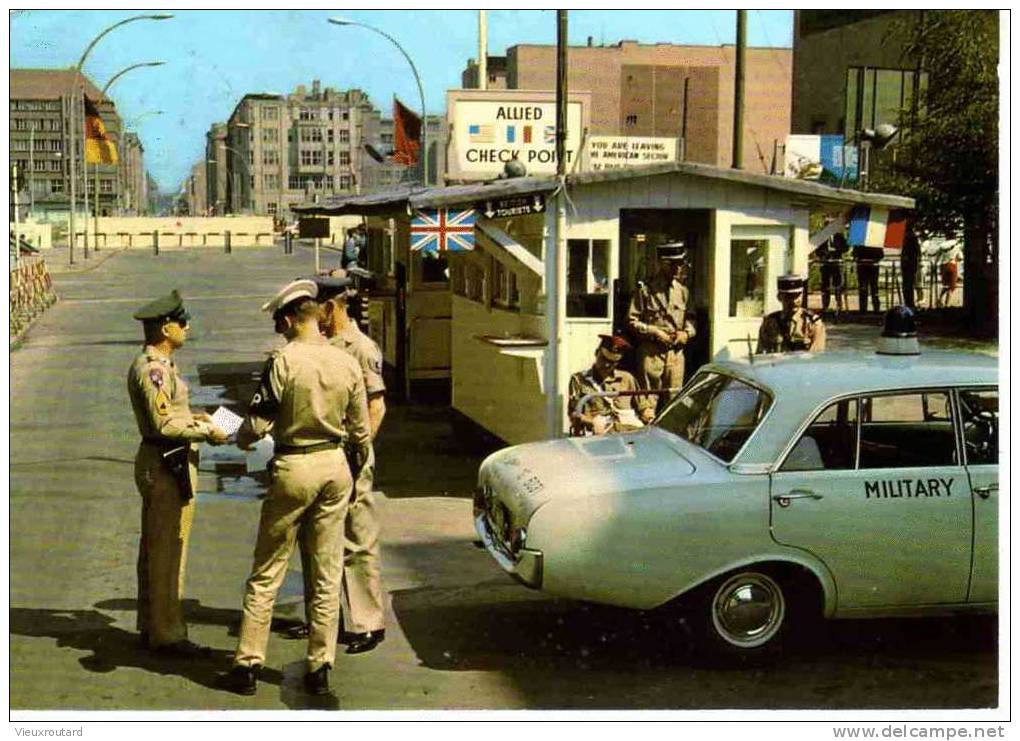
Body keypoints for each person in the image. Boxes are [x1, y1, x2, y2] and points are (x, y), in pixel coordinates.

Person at [218, 279, 371, 697]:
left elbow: (257, 424)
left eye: (279, 323)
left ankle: (248, 663)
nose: (279, 330)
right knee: (325, 572)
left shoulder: (283, 361)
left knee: (267, 570)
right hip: (335, 466)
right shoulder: (347, 362)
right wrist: (352, 476)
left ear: (289, 319)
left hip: (294, 465)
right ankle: (320, 666)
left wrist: (233, 432)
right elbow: (361, 433)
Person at [287, 272, 388, 655]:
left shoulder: (360, 347)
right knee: (317, 539)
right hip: (326, 456)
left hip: (351, 455)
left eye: (319, 311)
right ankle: (322, 618)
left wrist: (359, 451)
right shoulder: (322, 345)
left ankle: (367, 621)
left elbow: (377, 406)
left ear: (331, 307)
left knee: (357, 541)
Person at [127, 290, 229, 655]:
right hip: (165, 461)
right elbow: (164, 424)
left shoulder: (163, 365)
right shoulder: (152, 368)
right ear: (166, 328)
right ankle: (167, 634)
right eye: (182, 322)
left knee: (159, 546)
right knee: (168, 548)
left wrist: (197, 417)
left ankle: (153, 624)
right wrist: (207, 430)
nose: (188, 327)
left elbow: (172, 413)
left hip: (168, 460)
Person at [627, 242, 697, 409]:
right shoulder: (645, 291)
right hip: (651, 353)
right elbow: (632, 321)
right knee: (647, 403)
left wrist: (686, 334)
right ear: (662, 263)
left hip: (675, 355)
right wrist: (655, 332)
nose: (679, 267)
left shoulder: (683, 291)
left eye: (681, 263)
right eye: (673, 263)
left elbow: (692, 319)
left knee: (674, 404)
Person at [569, 335, 656, 435]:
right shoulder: (579, 380)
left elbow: (643, 407)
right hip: (599, 434)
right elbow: (574, 414)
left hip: (629, 432)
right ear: (596, 353)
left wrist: (648, 416)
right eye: (603, 359)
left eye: (612, 362)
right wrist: (592, 421)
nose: (606, 365)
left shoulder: (627, 378)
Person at [756, 274, 826, 354]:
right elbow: (761, 355)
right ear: (779, 297)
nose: (794, 301)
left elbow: (816, 357)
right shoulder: (769, 323)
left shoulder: (813, 323)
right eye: (789, 296)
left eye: (797, 296)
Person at [813, 232, 848, 313]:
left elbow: (846, 248)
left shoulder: (839, 236)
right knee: (825, 286)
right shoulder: (822, 236)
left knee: (837, 286)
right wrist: (824, 255)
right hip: (825, 265)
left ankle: (838, 306)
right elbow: (817, 250)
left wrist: (837, 249)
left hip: (836, 265)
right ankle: (825, 306)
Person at [854, 245, 884, 313]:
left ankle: (864, 308)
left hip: (865, 267)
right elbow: (881, 254)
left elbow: (855, 253)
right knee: (871, 288)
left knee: (868, 288)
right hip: (869, 267)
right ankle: (873, 308)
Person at [900, 226, 920, 310]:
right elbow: (918, 252)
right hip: (912, 264)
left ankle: (908, 302)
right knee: (909, 285)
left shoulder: (908, 238)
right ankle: (909, 302)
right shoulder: (913, 238)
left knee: (907, 285)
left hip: (908, 264)